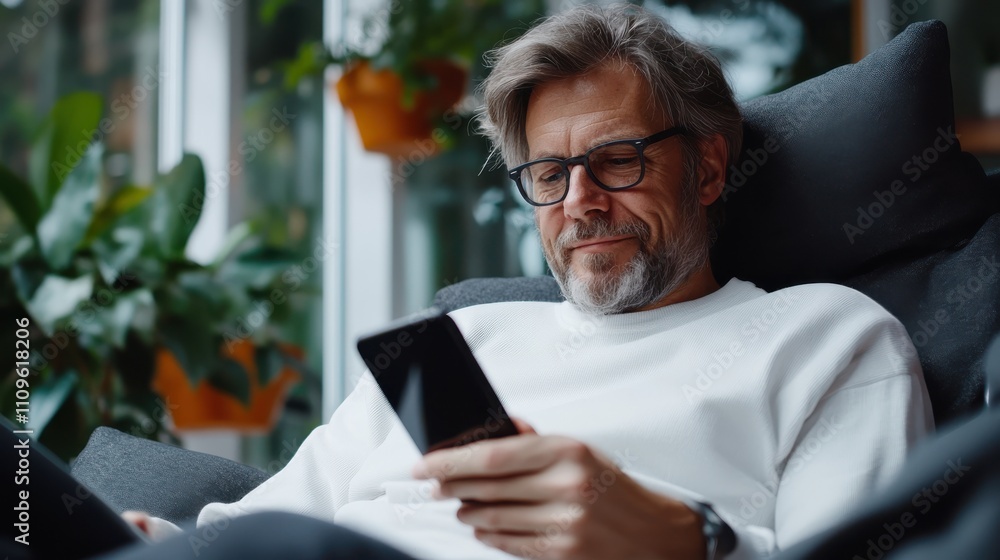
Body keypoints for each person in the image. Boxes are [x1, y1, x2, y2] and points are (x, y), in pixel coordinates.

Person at [126, 4, 933, 560]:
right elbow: (265, 527)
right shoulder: (464, 338)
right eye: (548, 173)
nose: (580, 201)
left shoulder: (827, 338)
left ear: (711, 166)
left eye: (617, 160)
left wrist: (689, 541)